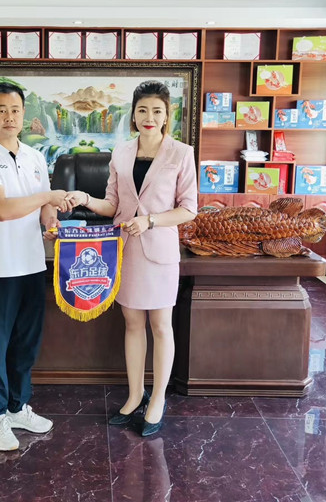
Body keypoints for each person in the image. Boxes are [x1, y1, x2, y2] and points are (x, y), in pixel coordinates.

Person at [65, 80, 197, 436]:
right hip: (125, 251)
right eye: (142, 110)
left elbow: (188, 209)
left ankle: (158, 399)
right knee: (133, 324)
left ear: (167, 116)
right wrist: (85, 198)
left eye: (157, 110)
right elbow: (113, 205)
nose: (149, 117)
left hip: (160, 251)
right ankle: (136, 394)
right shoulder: (121, 153)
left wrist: (150, 220)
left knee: (161, 325)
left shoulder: (181, 153)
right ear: (133, 115)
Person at [0, 82, 70, 451]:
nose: (9, 117)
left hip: (31, 264)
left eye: (15, 110)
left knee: (26, 342)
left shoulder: (35, 156)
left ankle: (17, 407)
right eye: (1, 110)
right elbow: (2, 209)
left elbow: (44, 209)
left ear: (24, 114)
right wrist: (47, 196)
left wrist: (51, 221)